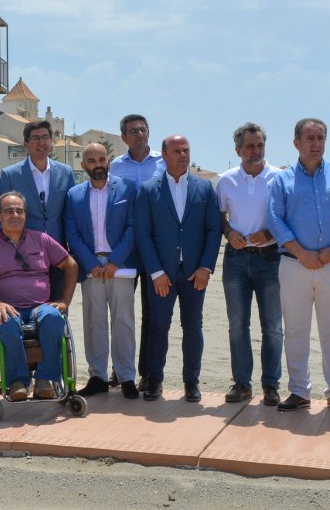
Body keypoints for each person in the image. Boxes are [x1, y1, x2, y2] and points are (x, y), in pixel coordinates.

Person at [267, 118, 330, 416]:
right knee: (295, 330)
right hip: (294, 265)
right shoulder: (281, 180)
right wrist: (301, 252)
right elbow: (275, 219)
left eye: (320, 138)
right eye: (310, 138)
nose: (316, 143)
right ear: (296, 143)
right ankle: (298, 390)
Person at [133, 135, 222, 402]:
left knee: (193, 327)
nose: (183, 155)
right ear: (164, 154)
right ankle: (154, 380)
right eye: (177, 151)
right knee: (158, 326)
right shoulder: (149, 190)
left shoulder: (204, 189)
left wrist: (206, 267)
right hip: (162, 274)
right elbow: (143, 234)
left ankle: (191, 382)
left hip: (195, 272)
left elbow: (213, 230)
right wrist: (156, 272)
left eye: (186, 150)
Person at [0, 191, 79, 401]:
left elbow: (71, 265)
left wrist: (65, 300)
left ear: (25, 215)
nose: (15, 215)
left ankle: (45, 380)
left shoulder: (42, 239)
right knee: (7, 320)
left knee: (55, 318)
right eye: (9, 211)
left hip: (39, 306)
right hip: (6, 306)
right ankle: (17, 382)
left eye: (19, 211)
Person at [64, 143, 139, 399]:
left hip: (121, 266)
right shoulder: (74, 195)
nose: (98, 164)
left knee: (124, 322)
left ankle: (127, 376)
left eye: (101, 159)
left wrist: (116, 260)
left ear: (108, 161)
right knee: (94, 322)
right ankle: (97, 376)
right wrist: (91, 264)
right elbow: (72, 233)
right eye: (92, 161)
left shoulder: (128, 188)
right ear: (84, 166)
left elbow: (133, 227)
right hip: (91, 269)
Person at [215, 123, 283, 407]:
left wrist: (270, 233)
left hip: (271, 258)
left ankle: (271, 386)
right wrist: (229, 233)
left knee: (272, 326)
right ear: (238, 150)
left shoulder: (280, 177)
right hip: (236, 260)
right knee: (237, 326)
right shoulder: (225, 180)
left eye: (260, 145)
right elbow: (219, 217)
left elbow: (288, 215)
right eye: (249, 146)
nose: (255, 151)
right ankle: (242, 383)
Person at [110, 114, 165, 390]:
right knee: (121, 310)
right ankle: (119, 369)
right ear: (124, 137)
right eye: (133, 131)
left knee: (152, 312)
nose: (139, 134)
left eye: (143, 129)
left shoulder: (163, 162)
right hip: (126, 249)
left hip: (156, 248)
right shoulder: (115, 167)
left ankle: (146, 371)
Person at [0, 120, 74, 246]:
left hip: (59, 249)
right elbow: (3, 215)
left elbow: (71, 214)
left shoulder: (66, 172)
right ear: (26, 144)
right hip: (24, 249)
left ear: (51, 142)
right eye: (36, 138)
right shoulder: (10, 175)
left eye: (45, 137)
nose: (41, 142)